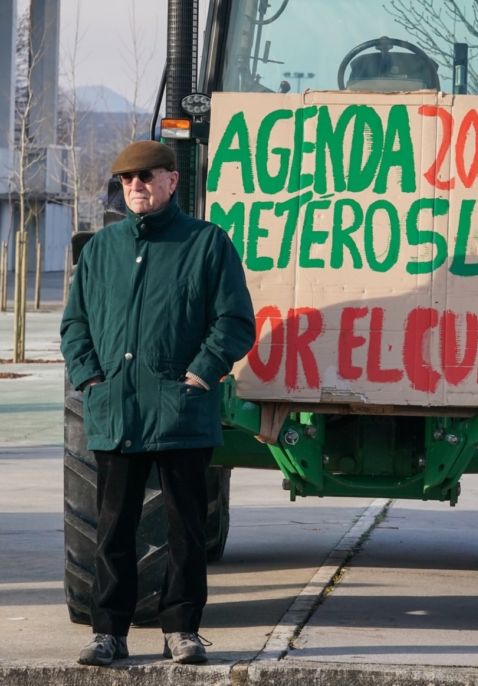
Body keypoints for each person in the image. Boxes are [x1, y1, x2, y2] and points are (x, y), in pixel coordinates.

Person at [61, 141, 255, 666]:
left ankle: (182, 630)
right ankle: (108, 633)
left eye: (146, 177)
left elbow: (235, 321)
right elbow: (75, 325)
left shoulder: (207, 244)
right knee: (112, 528)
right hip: (116, 409)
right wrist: (90, 379)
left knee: (185, 529)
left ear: (172, 180)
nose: (136, 187)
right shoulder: (100, 250)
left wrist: (202, 372)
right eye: (126, 180)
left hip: (181, 411)